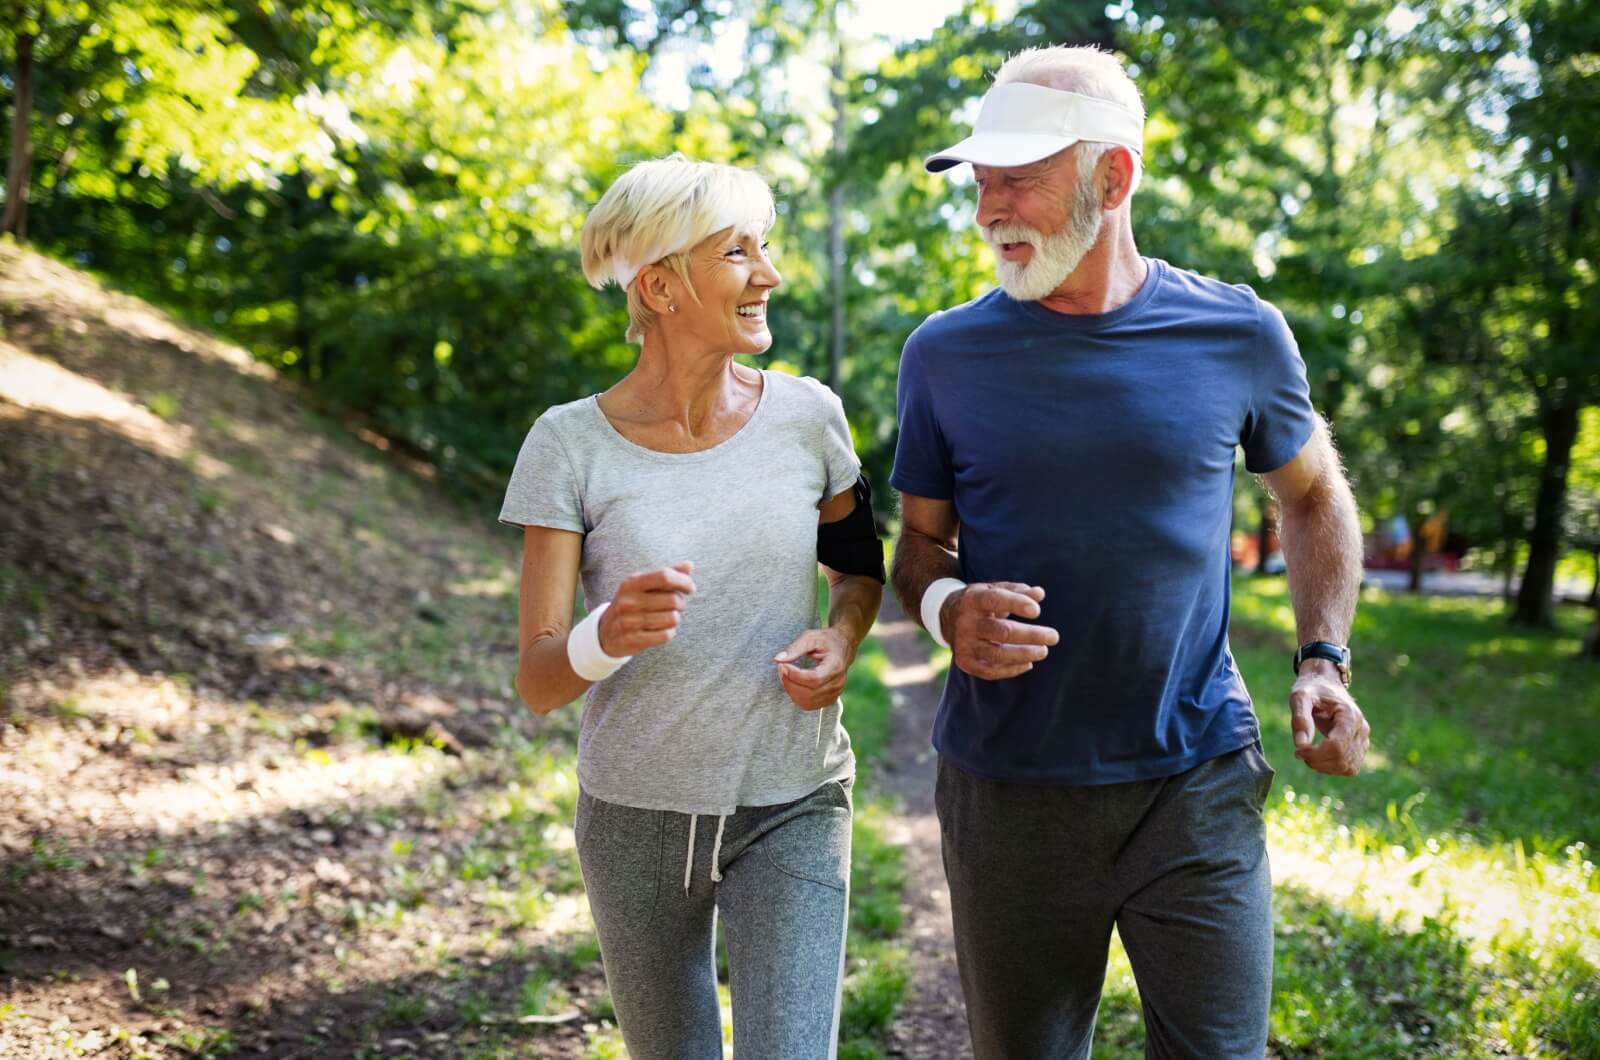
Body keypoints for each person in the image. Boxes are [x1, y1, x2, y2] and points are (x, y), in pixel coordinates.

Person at [889, 46, 1370, 1059]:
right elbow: (919, 546)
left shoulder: (1236, 333)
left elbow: (1316, 495)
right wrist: (946, 613)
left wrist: (1322, 659)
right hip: (1007, 788)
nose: (988, 208)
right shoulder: (941, 354)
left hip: (1192, 778)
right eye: (981, 181)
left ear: (1113, 177)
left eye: (1018, 176)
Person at [500, 155, 884, 1060]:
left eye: (765, 247)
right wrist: (606, 636)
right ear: (662, 287)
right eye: (738, 253)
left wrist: (842, 634)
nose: (770, 275)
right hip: (635, 815)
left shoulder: (811, 417)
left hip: (795, 799)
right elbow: (538, 680)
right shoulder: (567, 446)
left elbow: (859, 569)